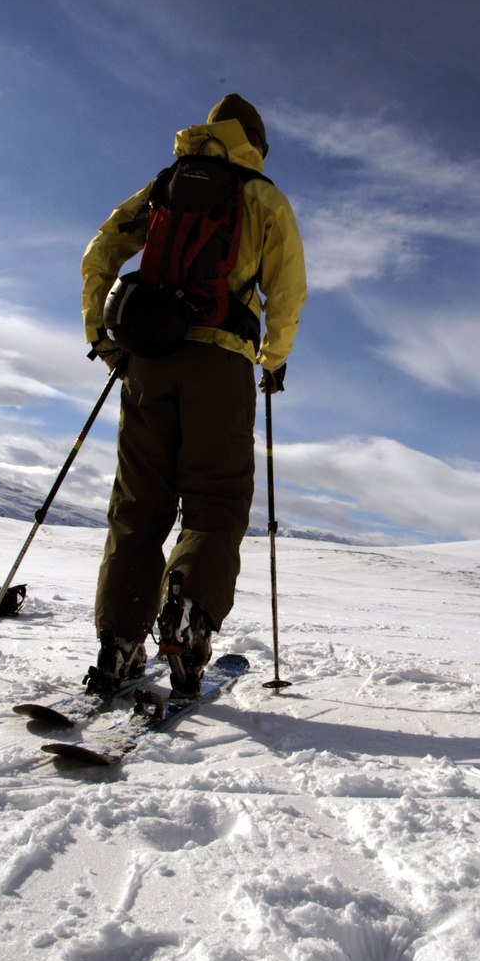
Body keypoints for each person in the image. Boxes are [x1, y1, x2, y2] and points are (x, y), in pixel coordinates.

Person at [81, 94, 307, 696]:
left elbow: (103, 248)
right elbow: (288, 290)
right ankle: (188, 619)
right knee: (215, 501)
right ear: (255, 143)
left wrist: (104, 337)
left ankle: (118, 642)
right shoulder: (262, 196)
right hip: (220, 365)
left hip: (149, 362)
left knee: (138, 507)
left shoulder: (166, 183)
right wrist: (273, 358)